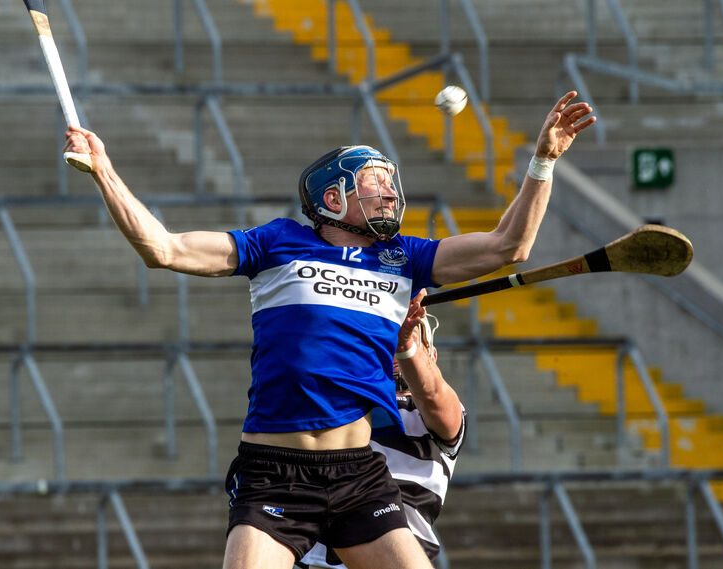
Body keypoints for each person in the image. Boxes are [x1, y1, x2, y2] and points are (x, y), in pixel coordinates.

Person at [63, 90, 594, 569]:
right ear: (333, 198)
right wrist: (105, 170)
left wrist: (543, 161)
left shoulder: (406, 257)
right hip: (274, 471)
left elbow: (509, 248)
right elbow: (164, 249)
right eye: (375, 181)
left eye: (391, 181)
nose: (390, 192)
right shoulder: (276, 243)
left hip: (358, 474)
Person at [299, 289, 465, 569]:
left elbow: (433, 394)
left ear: (432, 355)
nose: (395, 350)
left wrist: (405, 343)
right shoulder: (337, 399)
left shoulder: (443, 412)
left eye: (415, 339)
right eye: (383, 339)